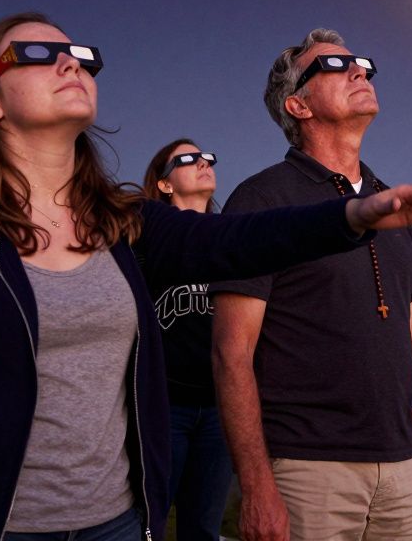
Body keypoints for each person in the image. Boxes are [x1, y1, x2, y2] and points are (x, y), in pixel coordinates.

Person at [0, 12, 412, 541]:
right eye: (38, 54)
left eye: (81, 57)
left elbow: (231, 242)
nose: (71, 65)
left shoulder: (121, 223)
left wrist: (353, 214)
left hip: (115, 521)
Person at [212, 28, 412, 541]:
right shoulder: (262, 201)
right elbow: (232, 353)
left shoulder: (394, 203)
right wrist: (255, 485)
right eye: (337, 66)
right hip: (306, 468)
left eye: (361, 63)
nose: (360, 70)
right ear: (298, 106)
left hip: (402, 467)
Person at [141, 140, 232, 541]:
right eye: (188, 159)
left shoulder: (230, 238)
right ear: (163, 184)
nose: (203, 162)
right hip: (164, 407)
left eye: (207, 157)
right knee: (147, 523)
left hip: (219, 408)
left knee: (203, 530)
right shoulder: (143, 239)